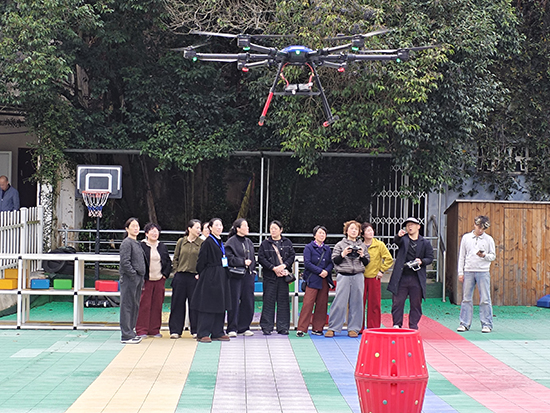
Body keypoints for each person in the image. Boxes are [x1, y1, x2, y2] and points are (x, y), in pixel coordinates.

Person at [388, 217, 434, 330]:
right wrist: (398, 236)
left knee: (416, 303)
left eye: (412, 225)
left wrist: (421, 261)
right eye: (408, 225)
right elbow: (396, 241)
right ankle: (397, 324)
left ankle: (413, 325)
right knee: (397, 302)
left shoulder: (425, 242)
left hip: (416, 277)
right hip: (402, 276)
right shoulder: (403, 240)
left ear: (418, 227)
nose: (410, 227)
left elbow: (430, 258)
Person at [325, 220, 370, 338]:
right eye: (351, 228)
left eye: (356, 229)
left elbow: (367, 262)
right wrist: (343, 254)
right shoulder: (340, 244)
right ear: (346, 231)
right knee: (339, 302)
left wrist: (362, 255)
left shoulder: (362, 245)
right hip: (343, 275)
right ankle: (333, 327)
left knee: (357, 302)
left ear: (359, 232)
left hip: (358, 275)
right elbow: (335, 260)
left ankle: (354, 328)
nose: (354, 231)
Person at [191, 218, 232, 343]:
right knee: (208, 304)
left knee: (220, 304)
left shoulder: (220, 241)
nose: (219, 227)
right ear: (210, 227)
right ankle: (203, 332)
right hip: (210, 275)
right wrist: (204, 274)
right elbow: (201, 262)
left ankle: (218, 331)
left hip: (221, 275)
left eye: (221, 225)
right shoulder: (208, 242)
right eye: (216, 225)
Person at [457, 215, 496, 333]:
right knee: (466, 298)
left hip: (483, 271)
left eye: (483, 228)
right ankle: (464, 323)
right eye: (479, 227)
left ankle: (487, 324)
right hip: (468, 270)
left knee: (485, 298)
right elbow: (462, 256)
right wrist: (460, 272)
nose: (480, 230)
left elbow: (493, 256)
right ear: (474, 225)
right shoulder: (466, 238)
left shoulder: (489, 239)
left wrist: (484, 256)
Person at [258, 220, 296, 335]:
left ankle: (283, 327)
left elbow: (292, 256)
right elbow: (261, 258)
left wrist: (284, 266)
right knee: (268, 301)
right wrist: (273, 268)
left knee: (283, 301)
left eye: (275, 228)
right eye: (271, 228)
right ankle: (266, 327)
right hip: (270, 276)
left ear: (281, 230)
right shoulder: (265, 244)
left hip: (283, 277)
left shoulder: (287, 242)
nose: (273, 230)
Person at [296, 225, 334, 337]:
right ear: (314, 235)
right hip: (312, 279)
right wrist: (319, 271)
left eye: (324, 233)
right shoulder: (309, 247)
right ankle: (301, 328)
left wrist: (326, 271)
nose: (322, 235)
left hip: (324, 279)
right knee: (308, 304)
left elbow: (331, 263)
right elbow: (307, 263)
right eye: (320, 233)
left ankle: (318, 328)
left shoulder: (327, 249)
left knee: (322, 304)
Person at [169, 219, 203, 339]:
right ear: (189, 229)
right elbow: (176, 258)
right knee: (177, 303)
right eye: (197, 228)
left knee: (195, 304)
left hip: (194, 276)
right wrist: (176, 271)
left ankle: (196, 330)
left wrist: (200, 273)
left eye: (200, 228)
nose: (199, 230)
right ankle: (175, 330)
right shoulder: (181, 241)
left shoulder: (202, 243)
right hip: (181, 276)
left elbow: (203, 260)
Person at [136, 223, 172, 338]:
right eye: (152, 231)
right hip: (146, 280)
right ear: (146, 233)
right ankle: (141, 330)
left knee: (157, 305)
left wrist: (164, 275)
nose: (154, 233)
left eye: (156, 231)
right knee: (144, 305)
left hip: (159, 280)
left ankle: (154, 330)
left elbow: (168, 262)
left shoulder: (162, 246)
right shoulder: (141, 246)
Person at [225, 218, 256, 337]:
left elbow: (253, 258)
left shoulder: (249, 242)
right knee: (234, 301)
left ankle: (244, 327)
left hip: (248, 275)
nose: (248, 228)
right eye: (245, 226)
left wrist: (252, 270)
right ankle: (232, 327)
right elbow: (228, 258)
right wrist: (242, 262)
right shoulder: (231, 242)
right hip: (235, 276)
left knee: (248, 300)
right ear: (238, 228)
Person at [361, 222, 394, 329]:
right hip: (360, 277)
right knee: (359, 303)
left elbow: (389, 259)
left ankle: (373, 326)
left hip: (374, 277)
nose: (371, 232)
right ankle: (358, 327)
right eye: (368, 231)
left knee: (374, 303)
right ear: (363, 234)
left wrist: (382, 270)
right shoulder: (359, 245)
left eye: (372, 230)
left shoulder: (379, 245)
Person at [119, 217, 146, 344]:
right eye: (133, 226)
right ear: (127, 228)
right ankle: (126, 334)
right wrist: (133, 274)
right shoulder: (127, 243)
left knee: (134, 305)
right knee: (127, 305)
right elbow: (125, 262)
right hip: (130, 278)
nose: (136, 228)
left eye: (137, 226)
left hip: (138, 278)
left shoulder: (137, 243)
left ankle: (131, 331)